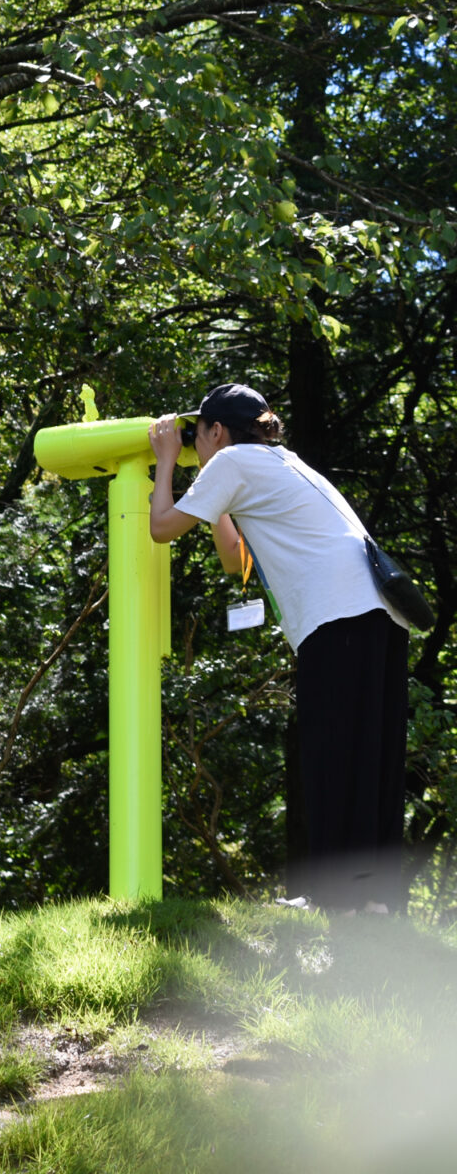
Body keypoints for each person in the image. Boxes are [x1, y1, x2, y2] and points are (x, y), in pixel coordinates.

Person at [147, 383, 410, 915]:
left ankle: (341, 899)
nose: (194, 445)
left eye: (195, 436)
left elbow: (160, 527)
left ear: (216, 431)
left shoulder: (234, 462)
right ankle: (376, 902)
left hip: (340, 618)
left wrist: (166, 463)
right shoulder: (280, 462)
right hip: (381, 616)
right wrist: (207, 493)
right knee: (372, 756)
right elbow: (233, 559)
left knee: (332, 752)